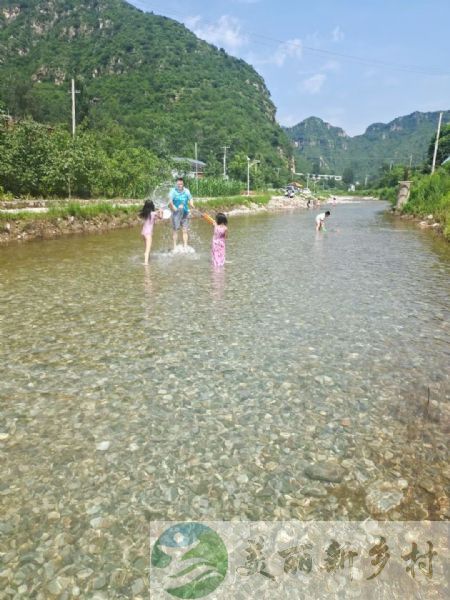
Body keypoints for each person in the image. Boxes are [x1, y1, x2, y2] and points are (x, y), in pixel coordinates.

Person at [168, 177, 195, 251]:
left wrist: (192, 204)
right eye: (178, 184)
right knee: (175, 230)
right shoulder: (173, 191)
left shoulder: (186, 191)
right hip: (176, 213)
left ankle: (185, 246)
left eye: (181, 184)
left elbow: (190, 198)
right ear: (176, 184)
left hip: (185, 213)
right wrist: (174, 208)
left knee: (185, 230)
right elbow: (170, 201)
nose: (180, 185)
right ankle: (174, 247)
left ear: (183, 184)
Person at [139, 200, 161, 264]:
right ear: (152, 206)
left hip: (143, 232)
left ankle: (148, 259)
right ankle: (146, 263)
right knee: (147, 250)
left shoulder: (145, 213)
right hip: (148, 233)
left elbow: (155, 216)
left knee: (147, 247)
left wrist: (158, 211)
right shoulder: (153, 213)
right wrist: (160, 211)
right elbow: (161, 217)